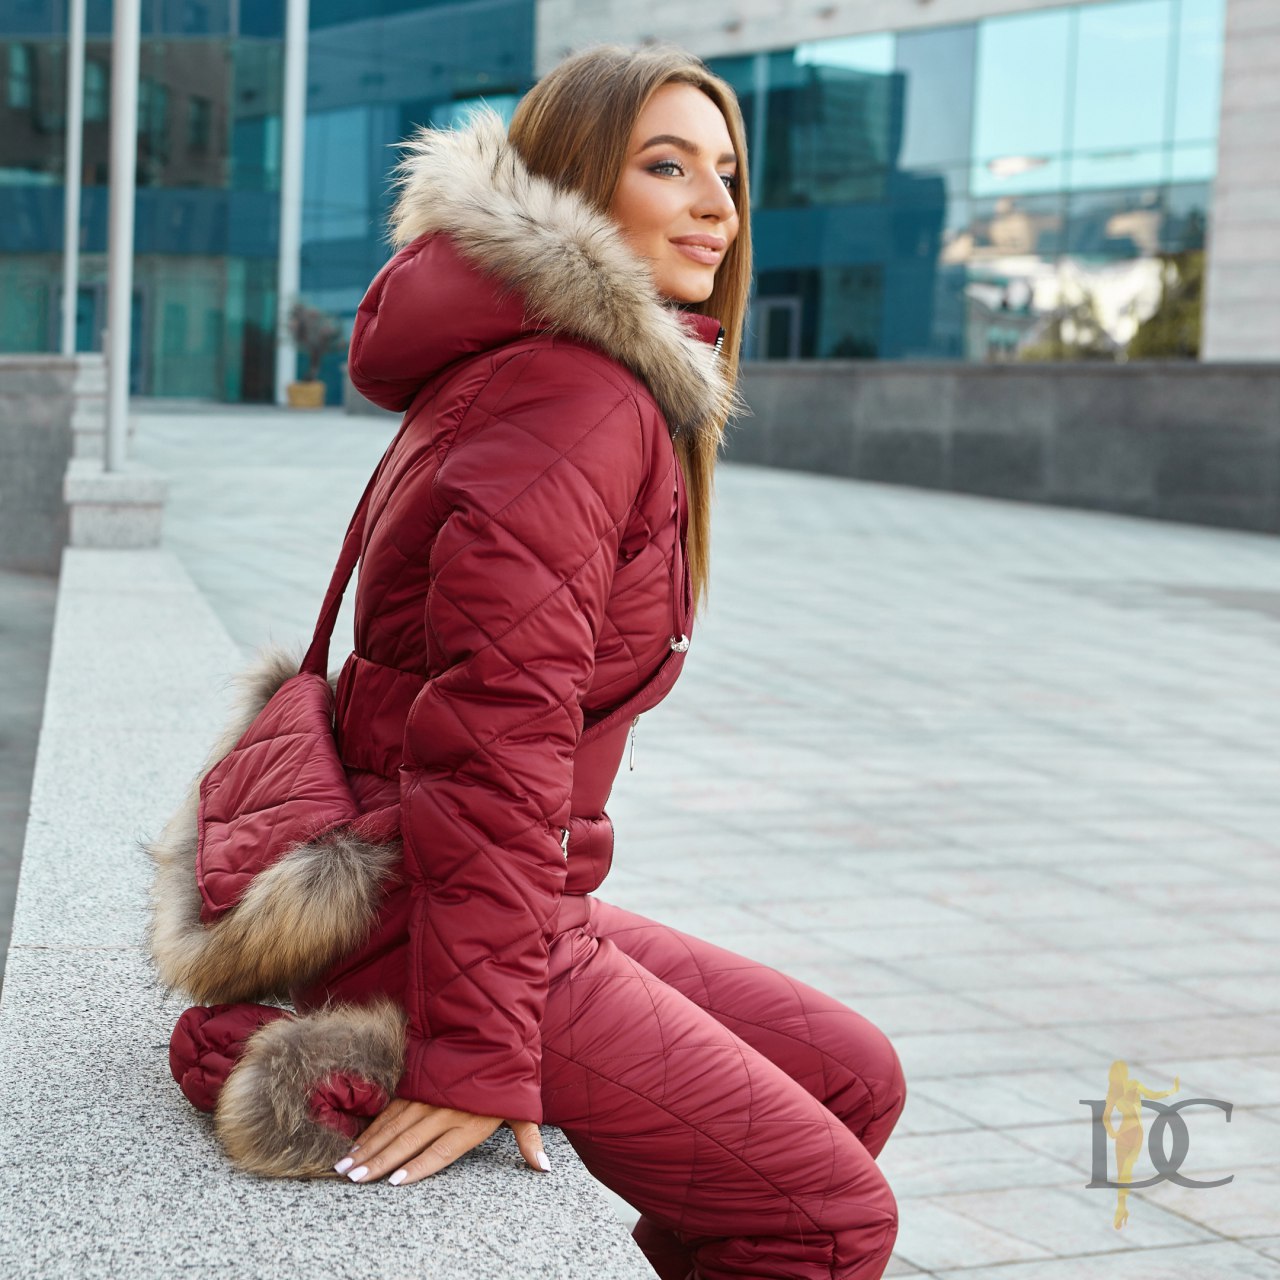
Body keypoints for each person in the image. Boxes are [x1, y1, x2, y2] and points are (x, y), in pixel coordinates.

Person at [149, 43, 905, 1280]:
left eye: (726, 172)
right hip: (437, 910)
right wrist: (473, 1051)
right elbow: (490, 742)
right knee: (825, 1221)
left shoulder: (544, 369)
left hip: (487, 885)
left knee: (850, 1069)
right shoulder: (579, 398)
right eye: (668, 166)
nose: (716, 204)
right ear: (573, 184)